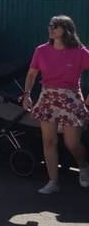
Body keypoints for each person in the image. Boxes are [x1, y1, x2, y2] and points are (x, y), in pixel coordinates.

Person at [22, 16, 89, 194]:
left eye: (55, 26)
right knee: (49, 140)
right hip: (48, 97)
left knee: (72, 143)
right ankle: (53, 182)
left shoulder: (79, 52)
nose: (50, 28)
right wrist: (27, 94)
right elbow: (31, 74)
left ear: (66, 29)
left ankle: (83, 166)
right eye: (49, 25)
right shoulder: (41, 50)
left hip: (71, 98)